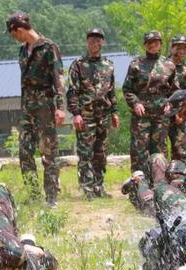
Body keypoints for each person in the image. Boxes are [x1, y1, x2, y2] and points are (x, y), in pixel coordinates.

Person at [7, 12, 66, 208]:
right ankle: (33, 195)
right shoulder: (23, 51)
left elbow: (58, 79)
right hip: (27, 108)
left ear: (20, 30)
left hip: (45, 107)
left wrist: (60, 107)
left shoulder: (49, 47)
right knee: (25, 152)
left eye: (14, 34)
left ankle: (51, 197)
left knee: (48, 153)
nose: (14, 38)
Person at [67, 27, 120, 200]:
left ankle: (99, 186)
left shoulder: (108, 65)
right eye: (91, 40)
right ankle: (87, 189)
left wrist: (114, 112)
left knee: (101, 152)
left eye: (98, 40)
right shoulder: (78, 64)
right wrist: (76, 113)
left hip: (103, 115)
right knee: (85, 152)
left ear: (102, 42)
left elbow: (111, 91)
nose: (94, 43)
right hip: (86, 114)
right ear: (87, 42)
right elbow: (72, 91)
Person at [122, 30, 178, 180]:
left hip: (161, 115)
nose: (153, 45)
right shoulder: (136, 64)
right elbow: (127, 89)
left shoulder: (169, 65)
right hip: (142, 115)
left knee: (159, 149)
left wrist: (170, 103)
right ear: (145, 45)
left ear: (160, 44)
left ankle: (159, 181)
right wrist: (135, 103)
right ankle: (139, 183)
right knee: (139, 149)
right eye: (149, 43)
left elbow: (175, 91)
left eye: (156, 42)